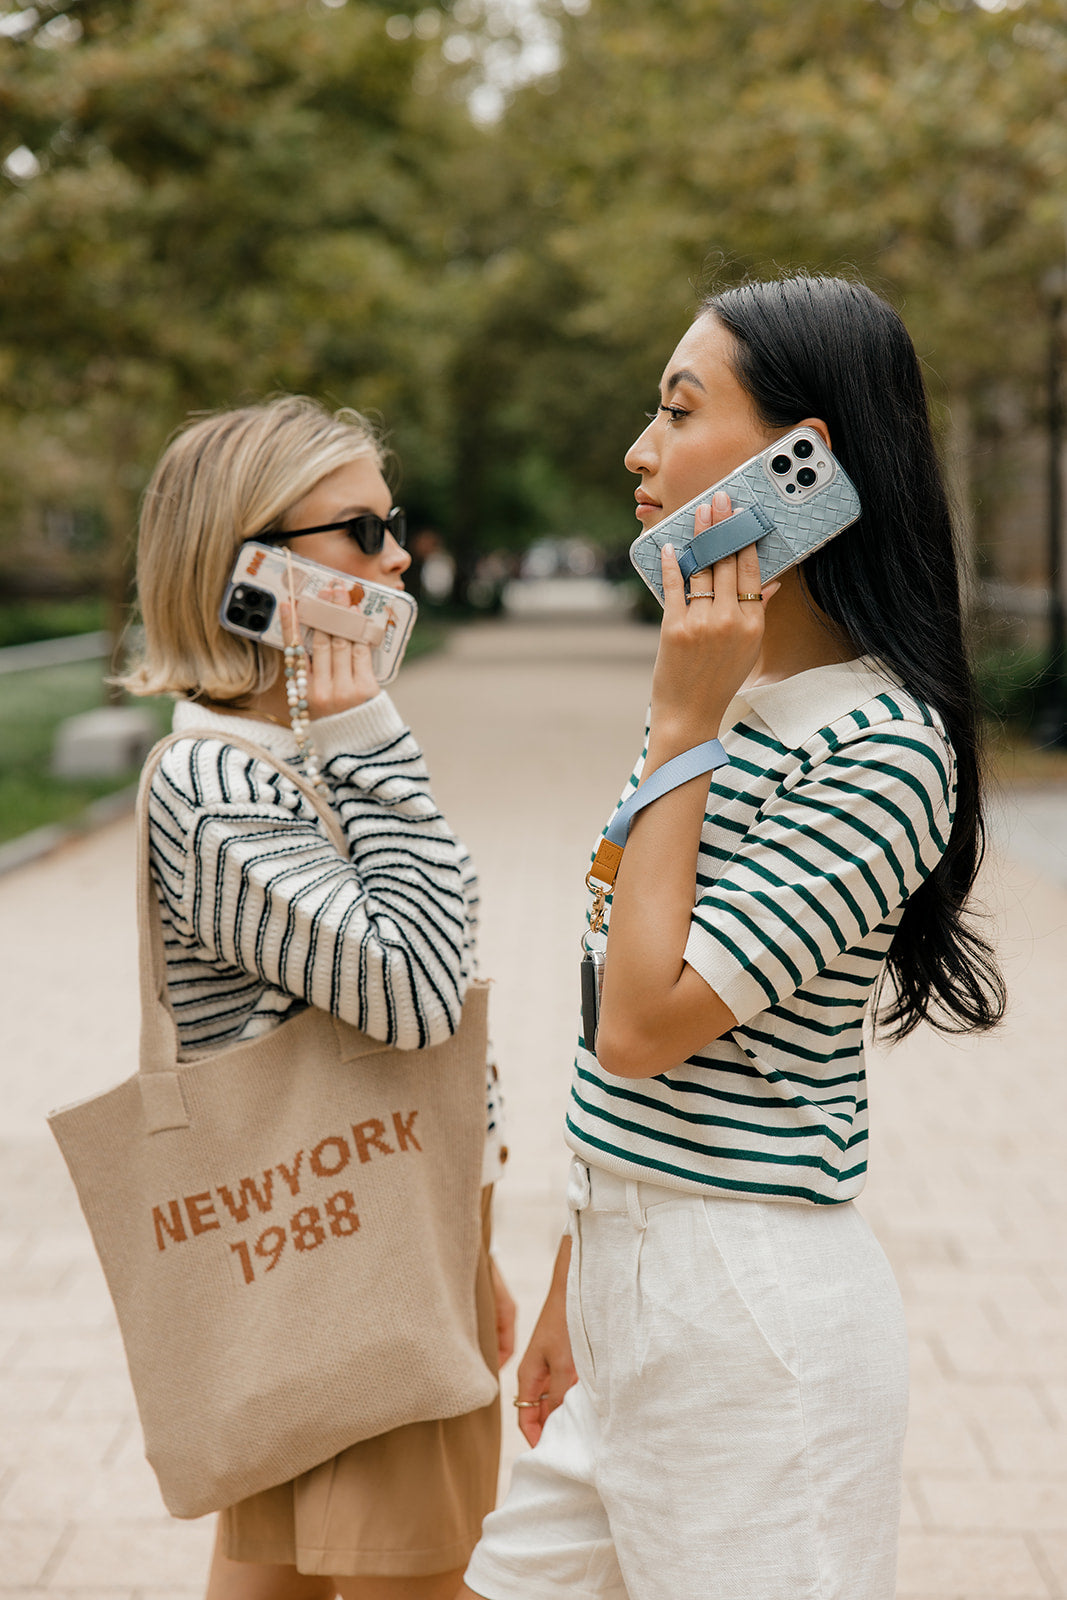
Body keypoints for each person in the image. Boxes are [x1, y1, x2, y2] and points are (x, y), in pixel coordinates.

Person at [458, 275, 1006, 1600]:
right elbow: (621, 1050)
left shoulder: (876, 749)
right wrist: (572, 1285)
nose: (638, 452)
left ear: (800, 460)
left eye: (676, 407)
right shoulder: (734, 709)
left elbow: (643, 1027)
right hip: (626, 1287)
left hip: (751, 1322)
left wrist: (676, 729)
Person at [121, 395, 515, 1600]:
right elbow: (413, 992)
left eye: (391, 523)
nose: (397, 556)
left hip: (345, 1231)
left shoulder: (281, 760)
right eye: (359, 531)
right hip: (337, 1255)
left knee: (276, 1578)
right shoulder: (219, 783)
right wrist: (372, 735)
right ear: (250, 572)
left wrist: (470, 1240)